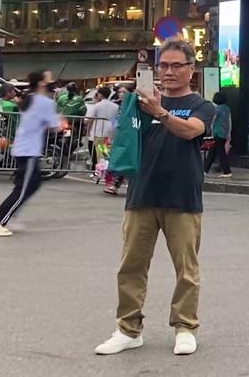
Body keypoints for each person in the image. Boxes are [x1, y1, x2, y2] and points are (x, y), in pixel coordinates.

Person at [93, 40, 216, 357]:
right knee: (131, 265)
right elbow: (124, 139)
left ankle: (185, 327)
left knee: (186, 269)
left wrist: (160, 112)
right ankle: (128, 329)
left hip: (182, 194)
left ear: (191, 69)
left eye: (177, 65)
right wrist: (136, 108)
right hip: (141, 193)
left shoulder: (202, 105)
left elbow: (190, 131)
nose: (169, 71)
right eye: (164, 65)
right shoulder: (140, 102)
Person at [0, 70, 59, 237]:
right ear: (41, 83)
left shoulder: (29, 99)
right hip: (28, 150)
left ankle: (11, 214)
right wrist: (60, 121)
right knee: (22, 189)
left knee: (33, 184)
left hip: (25, 148)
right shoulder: (45, 102)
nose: (53, 80)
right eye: (49, 78)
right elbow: (54, 126)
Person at [87, 86, 119, 178]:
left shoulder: (97, 105)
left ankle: (99, 173)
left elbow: (90, 119)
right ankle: (105, 172)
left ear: (100, 94)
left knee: (99, 154)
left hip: (99, 130)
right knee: (106, 153)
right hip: (111, 130)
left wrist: (88, 130)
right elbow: (116, 119)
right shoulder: (115, 106)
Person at [203, 92, 232, 177]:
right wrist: (229, 133)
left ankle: (227, 171)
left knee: (220, 152)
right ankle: (205, 170)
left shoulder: (217, 109)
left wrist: (208, 129)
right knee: (213, 152)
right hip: (224, 133)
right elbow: (229, 121)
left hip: (217, 132)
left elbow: (212, 120)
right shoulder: (227, 109)